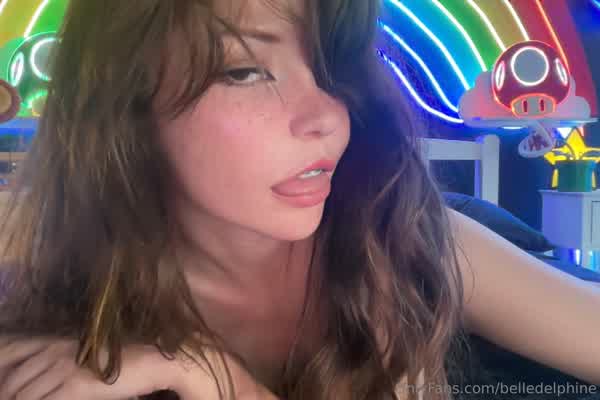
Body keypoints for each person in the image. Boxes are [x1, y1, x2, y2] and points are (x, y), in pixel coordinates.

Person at [0, 0, 599, 399]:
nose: (326, 117)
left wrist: (223, 383)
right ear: (123, 104)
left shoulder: (404, 235)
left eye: (328, 68)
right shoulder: (56, 284)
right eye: (244, 71)